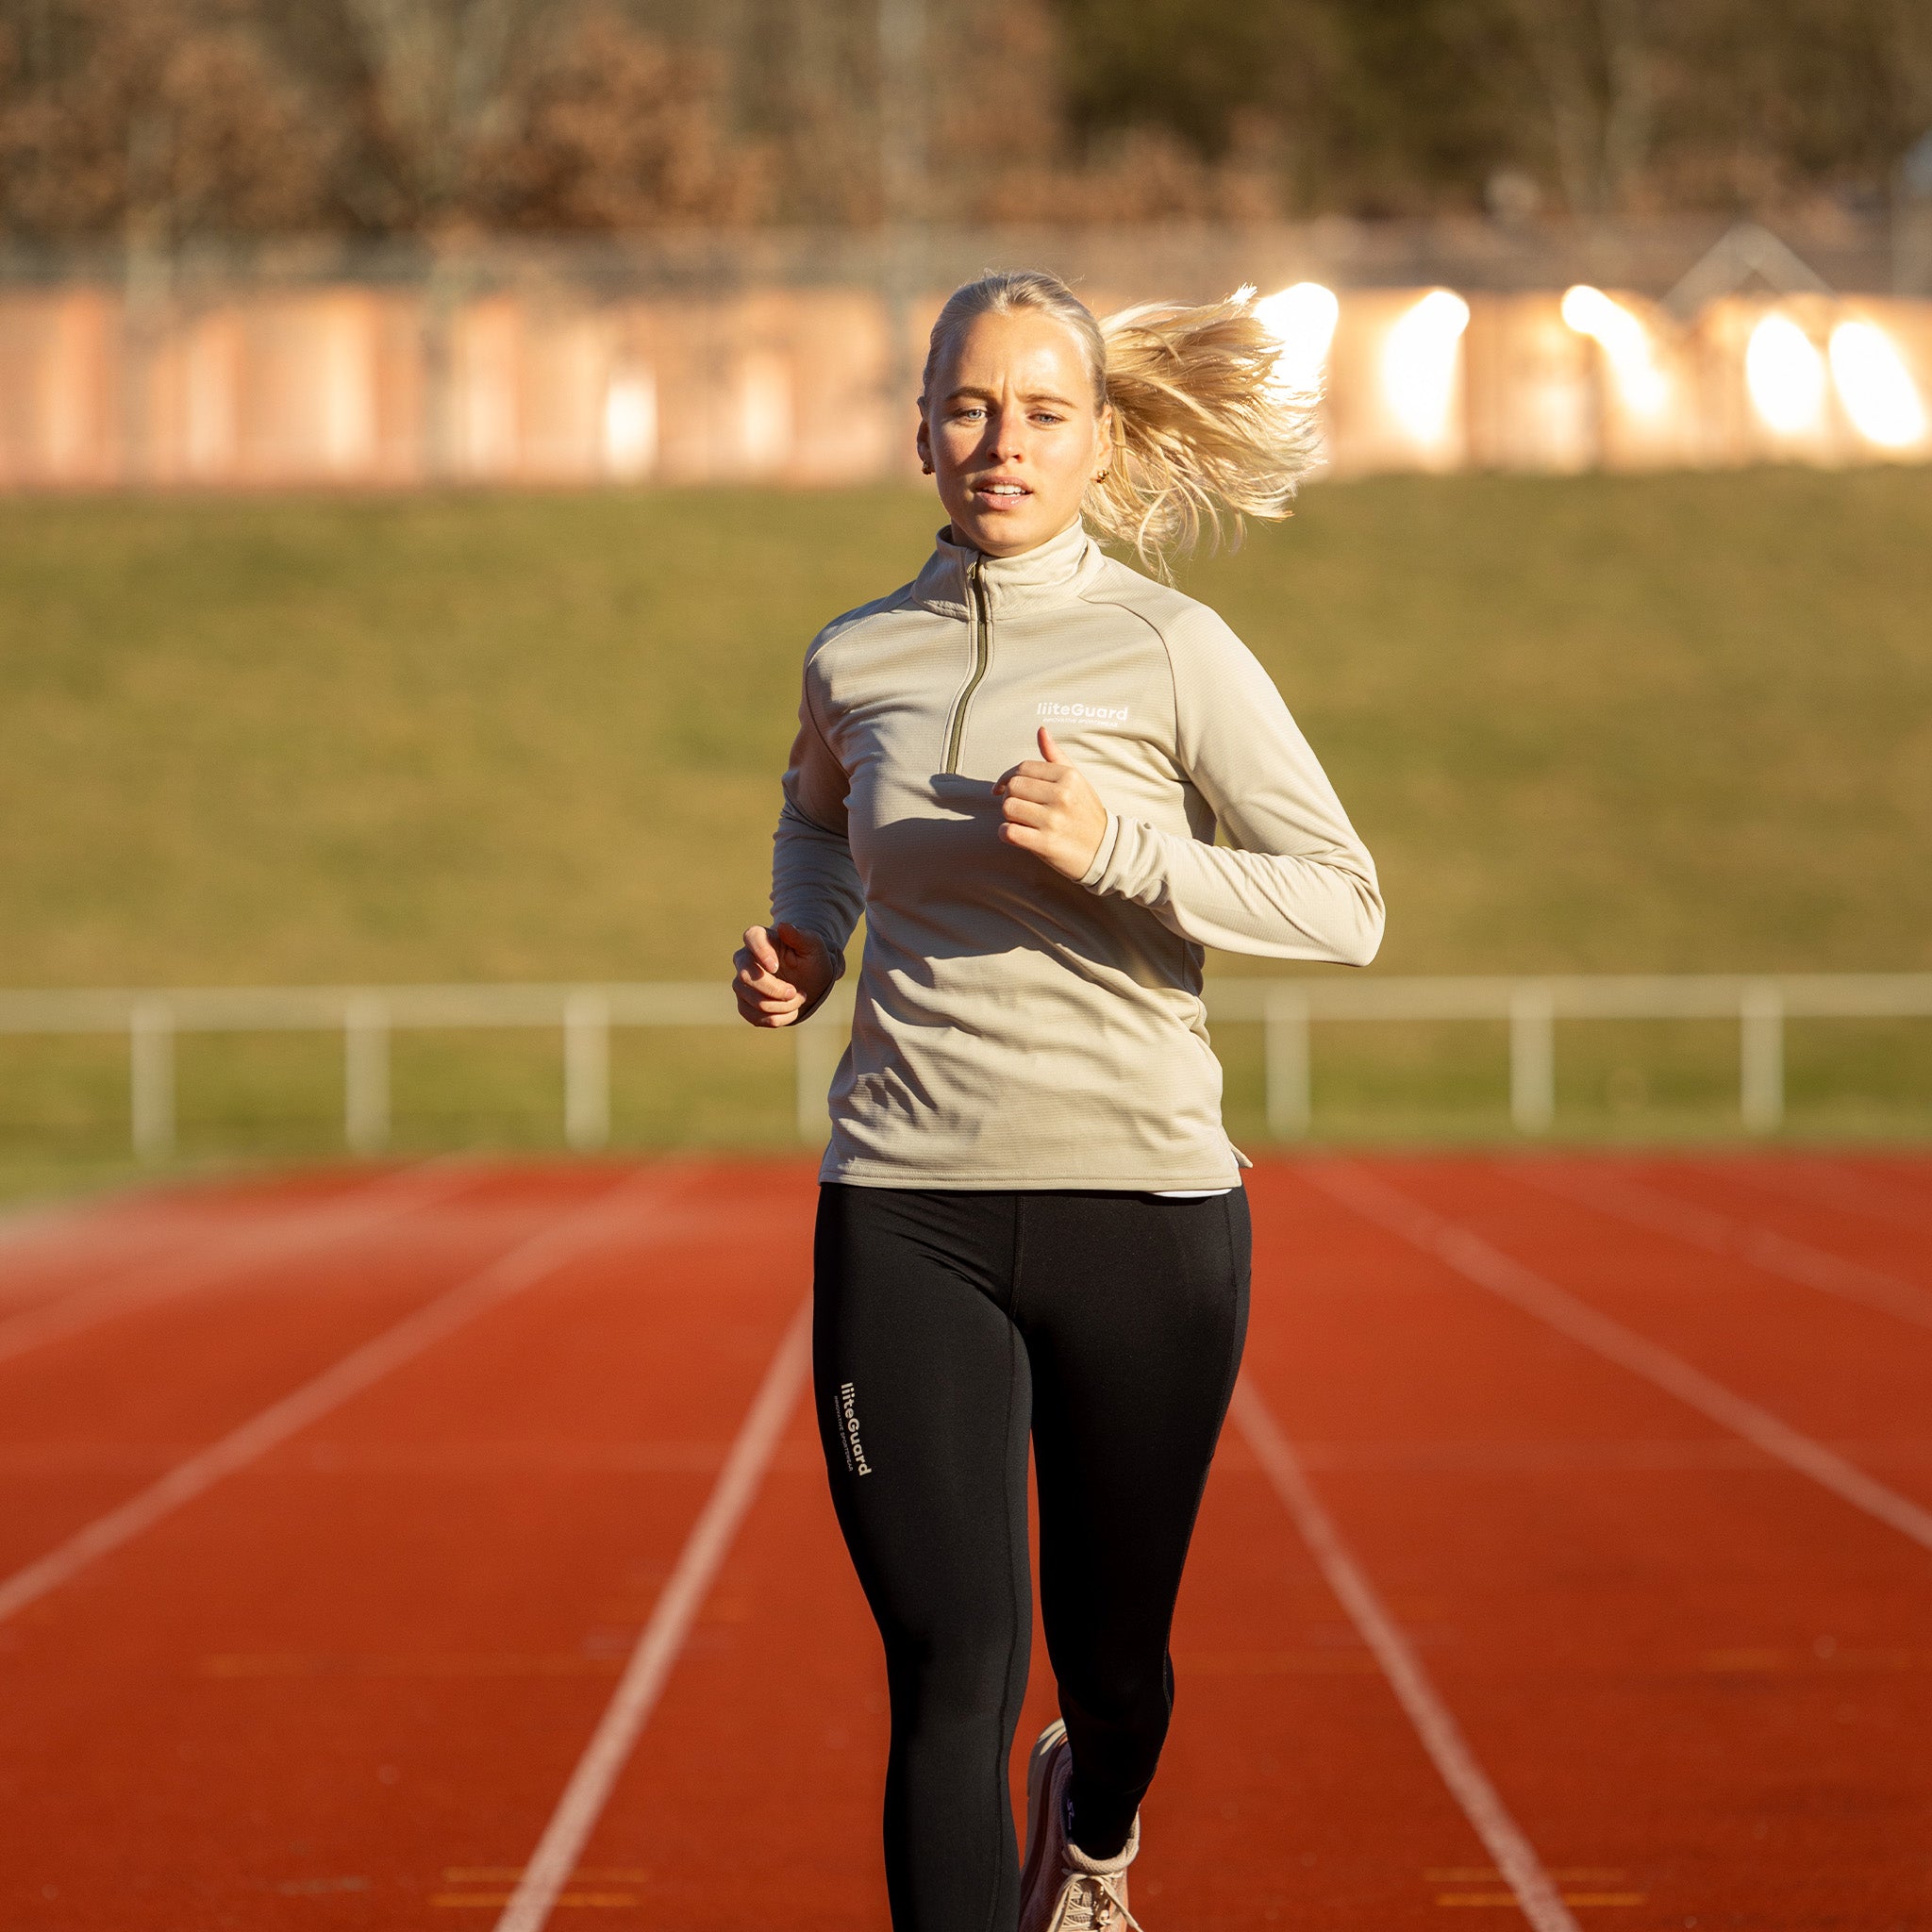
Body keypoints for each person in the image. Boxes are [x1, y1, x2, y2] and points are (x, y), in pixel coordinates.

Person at [731, 269, 1382, 1932]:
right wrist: (809, 937)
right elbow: (817, 823)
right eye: (967, 406)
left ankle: (1094, 1827)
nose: (998, 442)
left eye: (1038, 411)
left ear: (1100, 441)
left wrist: (1125, 852)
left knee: (1114, 1663)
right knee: (951, 1664)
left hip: (1143, 1210)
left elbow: (1344, 903)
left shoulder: (1175, 650)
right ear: (920, 432)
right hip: (904, 1205)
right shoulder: (856, 656)